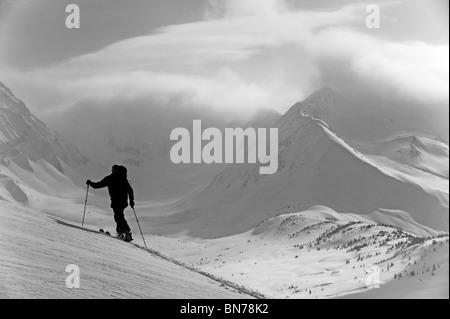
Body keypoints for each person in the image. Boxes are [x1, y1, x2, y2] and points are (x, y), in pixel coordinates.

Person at [87, 165, 135, 242]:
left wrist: (90, 183)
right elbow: (130, 191)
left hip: (116, 201)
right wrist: (131, 202)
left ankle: (125, 232)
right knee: (119, 215)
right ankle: (122, 232)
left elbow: (98, 185)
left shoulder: (110, 178)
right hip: (123, 201)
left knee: (118, 216)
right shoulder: (123, 179)